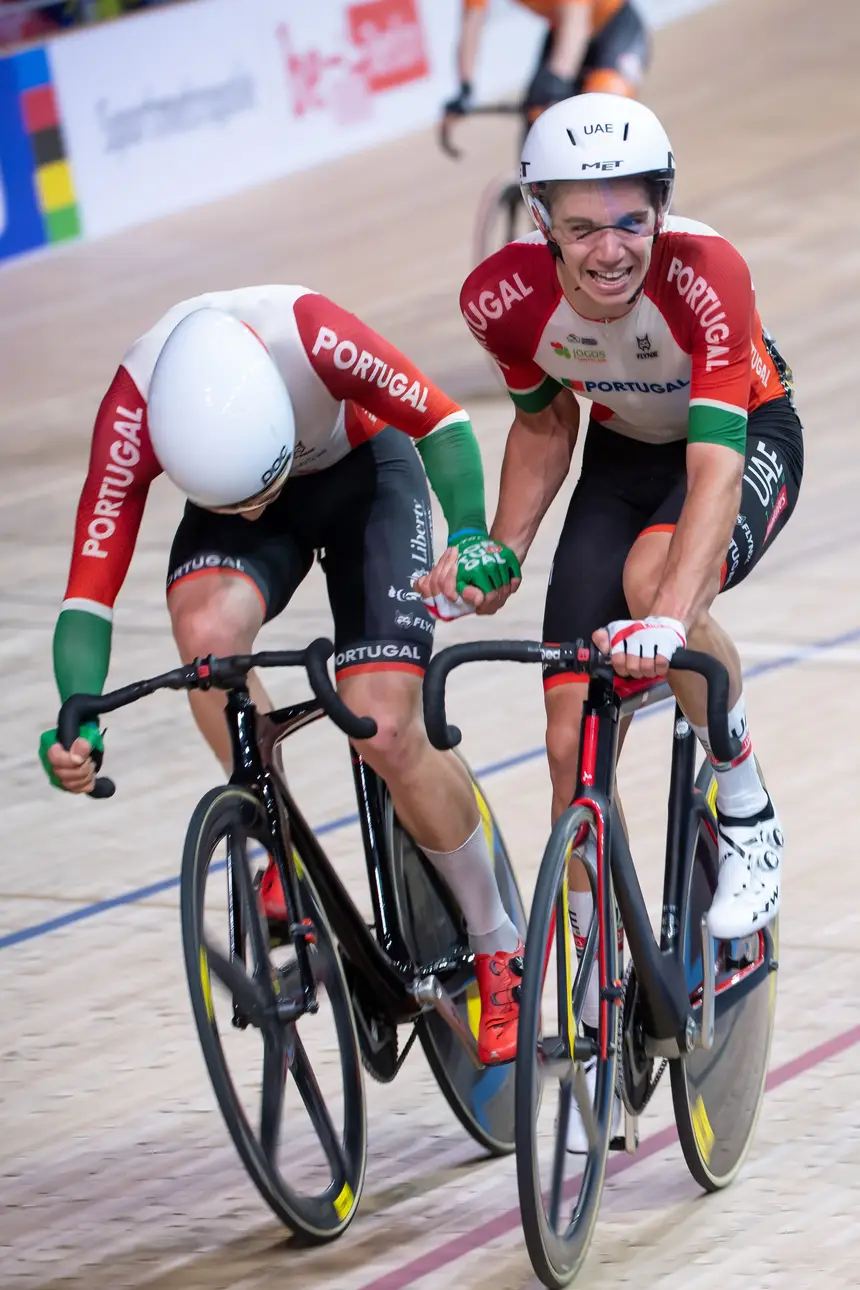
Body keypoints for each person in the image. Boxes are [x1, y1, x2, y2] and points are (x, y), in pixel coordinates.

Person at [417, 93, 802, 1131]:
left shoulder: (704, 275)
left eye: (630, 222)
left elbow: (715, 468)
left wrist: (671, 615)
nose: (607, 251)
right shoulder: (498, 300)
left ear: (659, 213)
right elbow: (544, 429)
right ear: (539, 221)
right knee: (561, 737)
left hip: (739, 439)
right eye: (580, 227)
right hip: (620, 459)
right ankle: (608, 976)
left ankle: (744, 797)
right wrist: (496, 549)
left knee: (646, 587)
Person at [38, 287, 523, 1065]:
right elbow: (87, 594)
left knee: (386, 726)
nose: (262, 510)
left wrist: (466, 534)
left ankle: (500, 943)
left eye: (264, 489)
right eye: (247, 499)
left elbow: (444, 423)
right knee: (206, 642)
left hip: (366, 477)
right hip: (230, 492)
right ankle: (269, 837)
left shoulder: (315, 336)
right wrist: (77, 714)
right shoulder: (134, 410)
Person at [442, 0, 650, 137]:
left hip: (615, 29)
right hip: (563, 32)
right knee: (537, 118)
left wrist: (556, 81)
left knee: (605, 113)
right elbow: (471, 24)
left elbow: (576, 22)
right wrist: (465, 88)